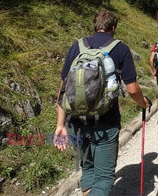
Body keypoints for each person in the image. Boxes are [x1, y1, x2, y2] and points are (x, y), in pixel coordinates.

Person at [55, 10, 150, 196]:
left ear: (95, 25)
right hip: (105, 123)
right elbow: (132, 89)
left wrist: (60, 125)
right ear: (113, 28)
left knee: (88, 168)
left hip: (75, 122)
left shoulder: (77, 46)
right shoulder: (120, 48)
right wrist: (144, 103)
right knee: (105, 179)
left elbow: (63, 89)